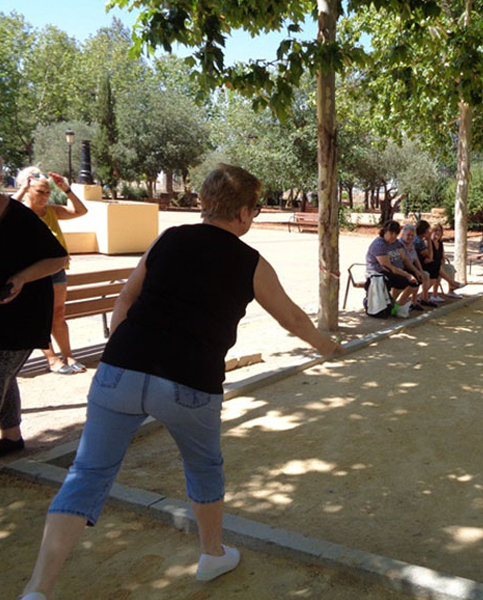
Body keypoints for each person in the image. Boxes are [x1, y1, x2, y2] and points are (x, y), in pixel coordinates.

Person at [20, 165, 342, 600]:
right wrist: (328, 346)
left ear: (206, 202)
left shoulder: (168, 239)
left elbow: (126, 298)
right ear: (243, 212)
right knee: (204, 466)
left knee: (87, 474)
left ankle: (38, 588)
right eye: (254, 209)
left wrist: (122, 352)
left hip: (121, 368)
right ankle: (212, 553)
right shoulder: (250, 262)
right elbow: (293, 319)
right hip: (190, 380)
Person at [0, 193, 68, 457]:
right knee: (5, 375)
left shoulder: (20, 217)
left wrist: (21, 278)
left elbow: (58, 259)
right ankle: (11, 436)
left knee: (2, 371)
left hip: (23, 315)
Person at [12, 167, 89, 374]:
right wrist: (22, 189)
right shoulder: (19, 212)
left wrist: (66, 190)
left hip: (56, 270)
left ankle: (68, 355)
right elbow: (7, 210)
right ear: (28, 190)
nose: (45, 197)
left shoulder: (52, 212)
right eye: (40, 192)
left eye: (47, 192)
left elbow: (81, 211)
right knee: (40, 316)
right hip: (32, 273)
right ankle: (52, 358)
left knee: (58, 313)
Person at [365, 220, 418, 307]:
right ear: (385, 232)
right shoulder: (379, 245)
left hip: (397, 269)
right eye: (391, 233)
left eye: (396, 234)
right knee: (402, 281)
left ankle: (396, 303)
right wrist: (408, 275)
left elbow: (404, 259)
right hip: (379, 272)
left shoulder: (396, 242)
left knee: (416, 280)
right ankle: (390, 303)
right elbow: (389, 266)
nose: (393, 236)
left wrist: (416, 271)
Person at [400, 224, 434, 310]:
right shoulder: (400, 245)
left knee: (425, 275)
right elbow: (406, 262)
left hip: (410, 268)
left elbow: (415, 259)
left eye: (412, 235)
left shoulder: (411, 245)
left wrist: (420, 270)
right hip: (402, 269)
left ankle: (415, 301)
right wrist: (417, 271)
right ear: (402, 235)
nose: (410, 237)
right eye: (408, 235)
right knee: (415, 280)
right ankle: (399, 303)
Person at [430, 224, 463, 299]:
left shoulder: (440, 243)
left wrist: (442, 264)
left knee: (450, 268)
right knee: (437, 271)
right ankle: (435, 294)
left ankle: (451, 290)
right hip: (431, 266)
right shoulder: (429, 243)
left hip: (439, 265)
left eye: (439, 231)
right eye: (435, 230)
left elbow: (442, 256)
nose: (437, 232)